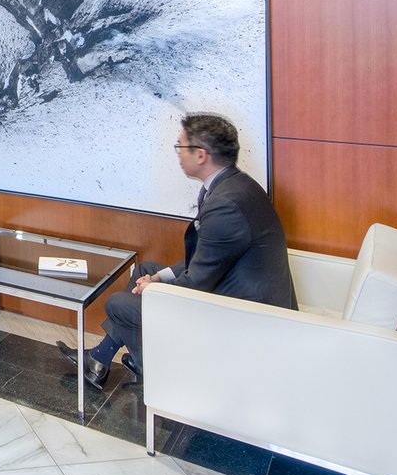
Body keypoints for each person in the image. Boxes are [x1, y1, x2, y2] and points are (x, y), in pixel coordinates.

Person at [58, 112, 296, 389]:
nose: (177, 154)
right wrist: (157, 279)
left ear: (201, 155)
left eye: (180, 147)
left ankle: (154, 369)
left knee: (118, 304)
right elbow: (206, 259)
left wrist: (155, 290)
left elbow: (196, 283)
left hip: (243, 315)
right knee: (144, 270)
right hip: (238, 289)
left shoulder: (226, 205)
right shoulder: (233, 185)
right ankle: (100, 361)